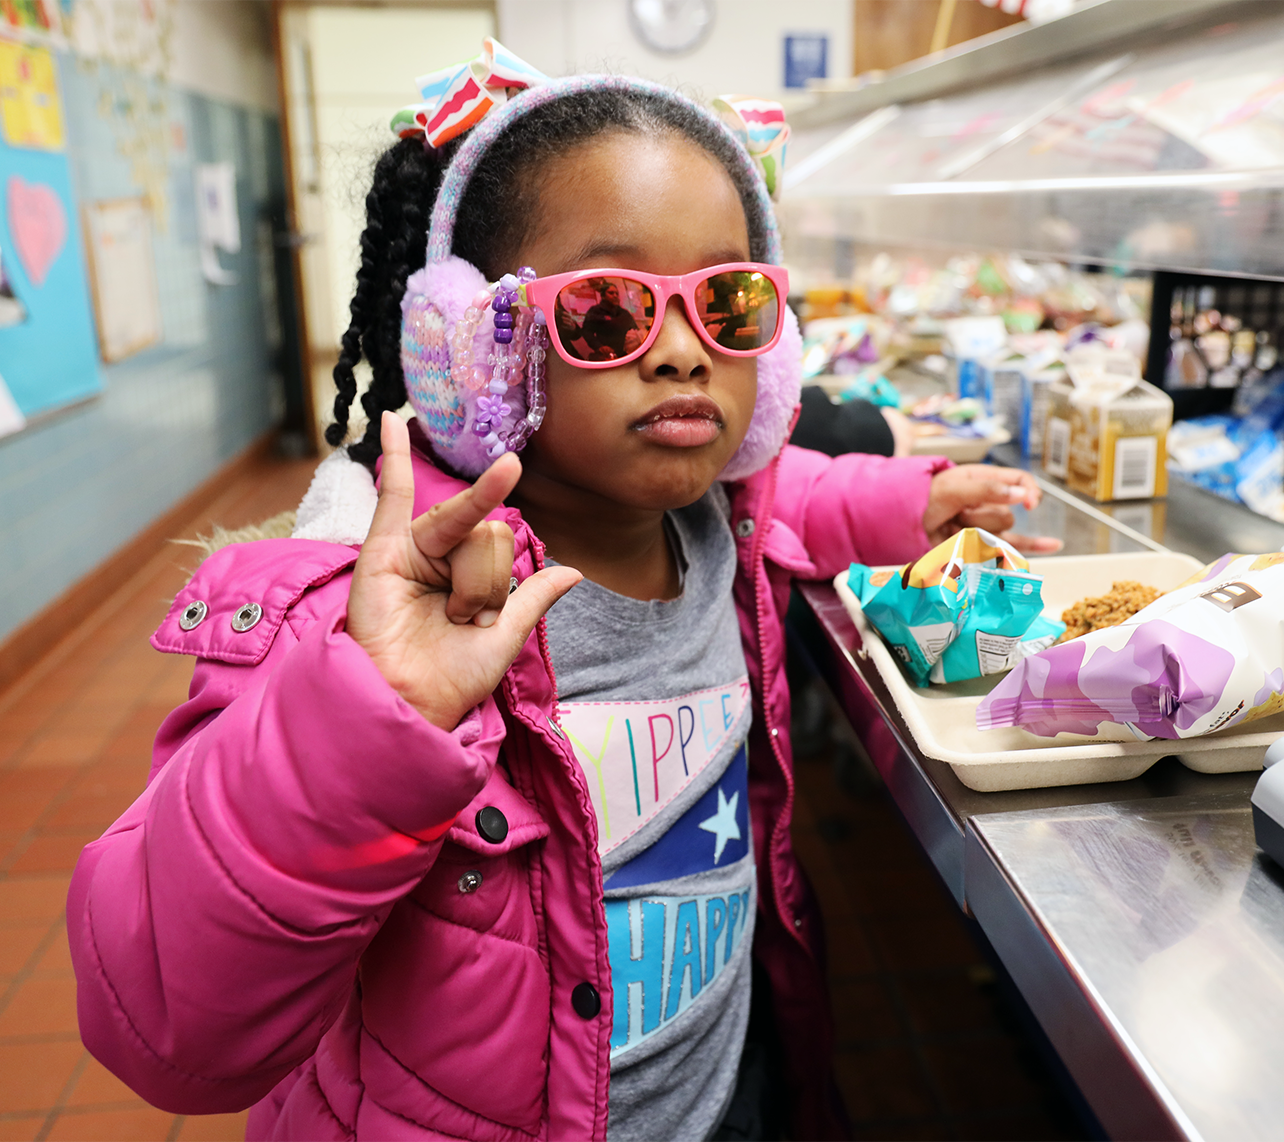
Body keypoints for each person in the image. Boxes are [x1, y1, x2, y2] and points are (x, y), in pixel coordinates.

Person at [66, 71, 1057, 1142]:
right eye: (607, 310)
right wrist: (365, 719)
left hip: (727, 1097)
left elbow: (798, 487)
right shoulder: (356, 618)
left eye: (728, 306)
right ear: (480, 344)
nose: (684, 351)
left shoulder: (720, 517)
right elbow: (165, 1027)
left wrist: (913, 500)